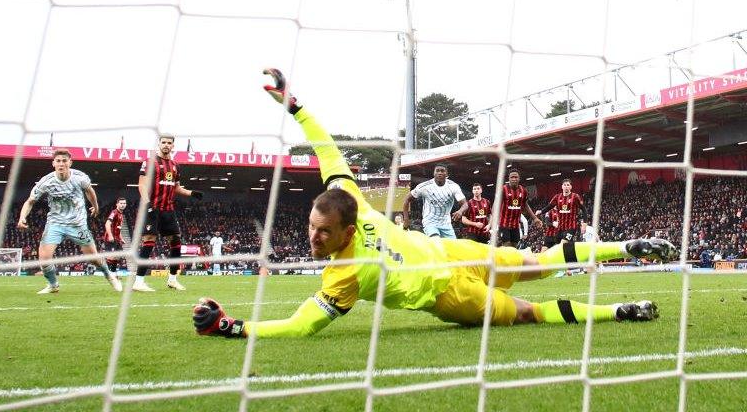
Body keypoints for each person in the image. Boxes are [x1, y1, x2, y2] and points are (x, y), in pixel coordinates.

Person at [191, 69, 674, 339]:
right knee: (527, 312)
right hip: (451, 297)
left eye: (322, 232)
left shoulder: (348, 234)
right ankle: (620, 311)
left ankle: (628, 246)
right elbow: (301, 324)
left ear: (347, 227)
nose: (312, 238)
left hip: (456, 251)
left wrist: (298, 107)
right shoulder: (342, 264)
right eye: (313, 229)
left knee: (542, 261)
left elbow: (326, 146)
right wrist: (235, 326)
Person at [17, 149, 122, 294]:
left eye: (64, 161)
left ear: (70, 163)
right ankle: (53, 285)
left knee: (94, 258)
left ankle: (109, 276)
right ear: (53, 163)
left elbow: (90, 191)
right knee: (44, 258)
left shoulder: (79, 177)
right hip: (55, 223)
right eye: (58, 161)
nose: (61, 164)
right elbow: (30, 201)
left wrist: (95, 207)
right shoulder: (46, 182)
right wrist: (22, 217)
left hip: (77, 224)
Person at [133, 134, 203, 292]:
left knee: (176, 242)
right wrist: (147, 204)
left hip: (168, 209)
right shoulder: (149, 162)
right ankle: (138, 281)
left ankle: (172, 280)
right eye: (163, 142)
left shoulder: (175, 165)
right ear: (159, 144)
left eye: (169, 143)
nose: (166, 145)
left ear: (173, 146)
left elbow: (176, 187)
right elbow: (142, 185)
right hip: (152, 207)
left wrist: (192, 193)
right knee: (149, 241)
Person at [403, 164, 467, 239]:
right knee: (436, 242)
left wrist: (460, 211)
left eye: (442, 171)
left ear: (446, 174)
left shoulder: (453, 186)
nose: (440, 173)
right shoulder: (424, 187)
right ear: (434, 173)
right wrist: (406, 219)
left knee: (452, 248)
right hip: (430, 222)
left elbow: (465, 204)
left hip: (446, 224)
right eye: (437, 171)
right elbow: (407, 200)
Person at [497, 170, 541, 248]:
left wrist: (535, 218)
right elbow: (496, 204)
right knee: (507, 246)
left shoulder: (523, 190)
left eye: (516, 177)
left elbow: (525, 205)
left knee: (514, 247)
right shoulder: (503, 189)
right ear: (509, 178)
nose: (514, 179)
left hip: (516, 226)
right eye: (512, 177)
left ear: (519, 178)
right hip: (504, 224)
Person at [539, 179, 585, 247]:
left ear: (571, 187)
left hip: (571, 227)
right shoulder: (557, 197)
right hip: (560, 228)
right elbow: (549, 206)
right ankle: (571, 256)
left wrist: (584, 223)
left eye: (568, 185)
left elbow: (584, 209)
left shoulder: (575, 197)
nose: (566, 186)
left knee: (563, 244)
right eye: (565, 185)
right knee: (560, 245)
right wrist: (541, 211)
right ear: (562, 186)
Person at [103, 197, 128, 272]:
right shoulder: (114, 212)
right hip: (110, 239)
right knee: (112, 256)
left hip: (117, 239)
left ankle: (113, 273)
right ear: (117, 204)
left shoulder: (121, 215)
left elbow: (118, 228)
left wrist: (121, 238)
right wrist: (110, 235)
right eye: (121, 203)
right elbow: (107, 224)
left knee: (117, 256)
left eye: (124, 203)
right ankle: (106, 272)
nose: (123, 205)